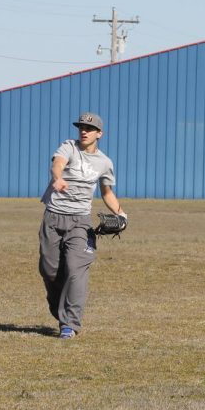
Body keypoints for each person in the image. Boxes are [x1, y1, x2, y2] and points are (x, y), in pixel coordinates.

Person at [38, 112, 127, 339]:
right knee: (50, 271)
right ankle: (59, 309)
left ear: (100, 134)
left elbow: (107, 192)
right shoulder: (69, 147)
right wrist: (57, 178)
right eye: (81, 127)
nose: (84, 131)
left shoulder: (105, 162)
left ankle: (70, 324)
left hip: (80, 221)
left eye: (89, 128)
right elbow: (57, 164)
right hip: (54, 216)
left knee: (76, 270)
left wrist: (121, 214)